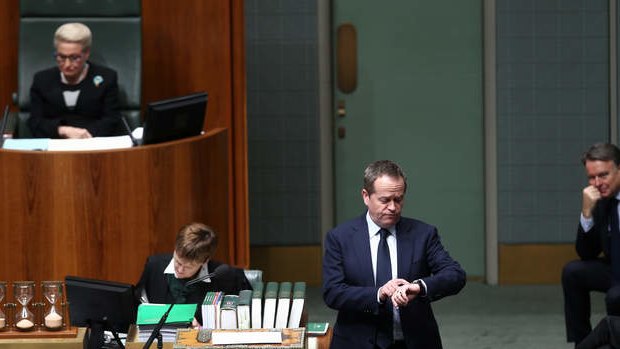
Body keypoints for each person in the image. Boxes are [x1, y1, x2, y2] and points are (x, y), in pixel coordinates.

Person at [322, 160, 466, 349]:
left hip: (413, 341)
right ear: (366, 196)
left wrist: (419, 287)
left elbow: (455, 275)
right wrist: (379, 293)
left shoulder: (423, 234)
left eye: (398, 199)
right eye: (385, 200)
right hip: (357, 342)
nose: (393, 207)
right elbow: (333, 292)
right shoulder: (340, 238)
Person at [135, 222, 252, 326]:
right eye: (177, 261)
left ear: (205, 260)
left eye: (188, 267)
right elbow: (138, 304)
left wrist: (201, 330)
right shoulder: (154, 266)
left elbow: (246, 319)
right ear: (175, 249)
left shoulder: (226, 276)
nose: (180, 270)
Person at [563, 143, 620, 345]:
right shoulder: (601, 199)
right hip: (614, 269)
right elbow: (587, 253)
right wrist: (587, 214)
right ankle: (583, 342)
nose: (597, 183)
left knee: (615, 296)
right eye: (591, 177)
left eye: (603, 175)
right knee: (573, 272)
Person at [28, 22, 121, 138]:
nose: (67, 64)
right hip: (54, 147)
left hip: (93, 144)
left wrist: (84, 135)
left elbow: (112, 119)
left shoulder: (107, 78)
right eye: (61, 57)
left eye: (74, 58)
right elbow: (35, 122)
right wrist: (62, 130)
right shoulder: (42, 80)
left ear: (86, 54)